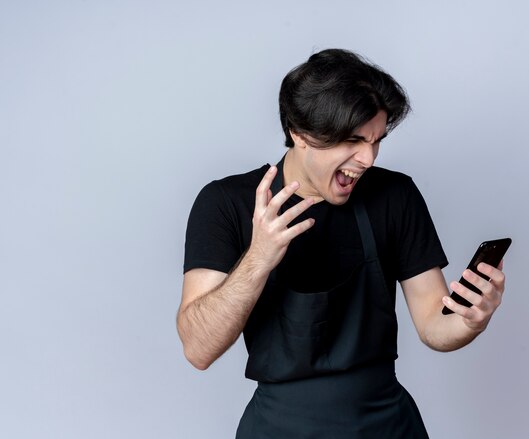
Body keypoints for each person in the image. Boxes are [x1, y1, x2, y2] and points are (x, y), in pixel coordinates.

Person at [177, 48, 506, 438]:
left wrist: (472, 320)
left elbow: (435, 325)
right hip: (279, 428)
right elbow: (198, 349)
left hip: (386, 425)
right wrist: (258, 258)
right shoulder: (227, 203)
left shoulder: (394, 196)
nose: (367, 158)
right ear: (299, 133)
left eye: (376, 140)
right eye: (352, 140)